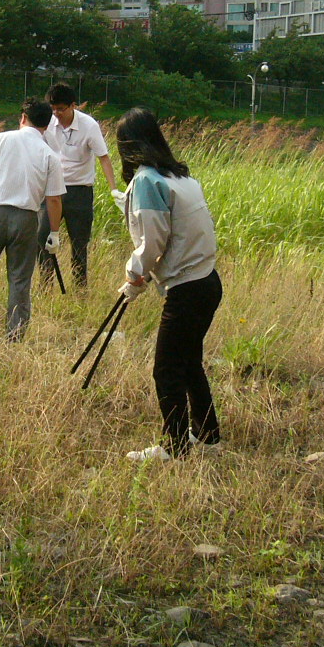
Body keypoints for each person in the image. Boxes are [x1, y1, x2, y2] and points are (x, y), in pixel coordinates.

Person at [115, 107, 222, 462]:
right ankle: (207, 436)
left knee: (166, 369)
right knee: (189, 360)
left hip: (187, 289)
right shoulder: (182, 177)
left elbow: (152, 242)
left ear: (127, 146)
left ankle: (175, 446)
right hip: (207, 282)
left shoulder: (147, 181)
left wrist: (134, 276)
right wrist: (142, 274)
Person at [0, 99, 65, 341]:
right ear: (46, 125)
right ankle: (14, 336)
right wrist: (54, 233)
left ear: (23, 118)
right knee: (19, 280)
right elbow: (54, 200)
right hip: (26, 218)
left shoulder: (1, 139)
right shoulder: (50, 155)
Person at [36, 82, 119, 288]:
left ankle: (80, 290)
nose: (56, 114)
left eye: (61, 109)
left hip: (80, 191)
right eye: (53, 109)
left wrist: (114, 189)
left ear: (74, 106)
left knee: (79, 245)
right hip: (52, 191)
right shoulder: (48, 123)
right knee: (43, 239)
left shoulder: (89, 125)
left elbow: (104, 158)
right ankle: (44, 287)